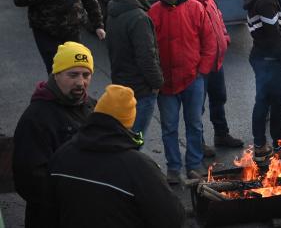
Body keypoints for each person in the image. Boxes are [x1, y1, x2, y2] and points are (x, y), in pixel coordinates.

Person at [47, 85, 185, 227]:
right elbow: (172, 218)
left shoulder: (62, 154)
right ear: (129, 121)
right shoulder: (139, 167)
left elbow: (46, 207)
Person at [13, 42, 95, 228]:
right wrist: (75, 195)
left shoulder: (92, 106)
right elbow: (29, 180)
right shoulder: (36, 118)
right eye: (72, 74)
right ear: (56, 74)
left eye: (86, 75)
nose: (80, 82)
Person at [149, 0, 215, 184]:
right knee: (169, 127)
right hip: (166, 83)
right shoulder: (154, 12)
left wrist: (201, 72)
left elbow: (209, 43)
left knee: (194, 124)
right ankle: (174, 169)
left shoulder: (196, 9)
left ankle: (194, 165)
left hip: (192, 79)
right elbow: (149, 48)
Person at [186, 0, 243, 153]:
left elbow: (219, 21)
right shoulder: (187, 4)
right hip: (200, 67)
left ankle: (221, 134)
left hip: (216, 62)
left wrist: (225, 39)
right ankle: (198, 143)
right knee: (197, 107)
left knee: (219, 99)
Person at [106, 0, 163, 139]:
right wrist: (157, 83)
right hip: (141, 89)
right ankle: (134, 165)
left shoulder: (114, 12)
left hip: (121, 83)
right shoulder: (139, 18)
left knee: (123, 135)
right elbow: (146, 56)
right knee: (135, 139)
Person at [243, 0, 281, 162]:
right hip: (270, 60)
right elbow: (273, 35)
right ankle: (272, 145)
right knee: (275, 104)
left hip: (263, 58)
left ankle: (263, 144)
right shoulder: (266, 1)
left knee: (263, 101)